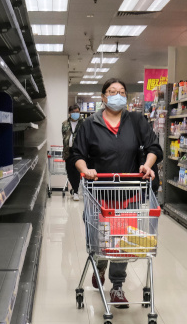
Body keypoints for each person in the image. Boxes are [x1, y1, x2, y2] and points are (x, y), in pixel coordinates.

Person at [70, 78, 163, 307]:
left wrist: (148, 165)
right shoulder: (89, 124)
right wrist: (86, 170)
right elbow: (76, 155)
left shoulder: (136, 121)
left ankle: (118, 286)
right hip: (99, 194)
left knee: (122, 240)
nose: (117, 95)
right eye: (112, 92)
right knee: (100, 240)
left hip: (128, 193)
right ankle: (101, 264)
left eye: (122, 92)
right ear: (103, 97)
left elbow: (153, 147)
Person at [62, 104, 82, 200]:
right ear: (70, 113)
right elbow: (64, 137)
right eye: (73, 112)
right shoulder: (65, 124)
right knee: (69, 172)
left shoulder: (84, 123)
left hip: (79, 151)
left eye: (77, 112)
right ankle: (74, 189)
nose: (75, 114)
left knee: (77, 171)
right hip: (68, 151)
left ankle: (76, 191)